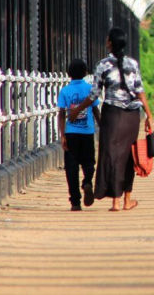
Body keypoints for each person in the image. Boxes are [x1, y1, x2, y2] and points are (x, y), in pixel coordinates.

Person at [69, 28, 153, 212]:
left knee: (112, 156)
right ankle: (126, 200)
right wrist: (149, 115)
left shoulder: (102, 65)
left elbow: (94, 95)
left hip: (112, 115)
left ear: (110, 43)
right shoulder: (133, 63)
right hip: (132, 115)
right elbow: (140, 91)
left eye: (107, 39)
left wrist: (76, 111)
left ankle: (115, 201)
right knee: (128, 156)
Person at [57, 59, 101, 211]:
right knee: (89, 162)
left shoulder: (65, 91)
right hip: (87, 132)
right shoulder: (89, 89)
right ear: (85, 73)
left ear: (68, 74)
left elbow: (61, 114)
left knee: (71, 167)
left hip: (71, 133)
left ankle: (75, 201)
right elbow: (95, 110)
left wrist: (62, 135)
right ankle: (87, 182)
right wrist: (102, 127)